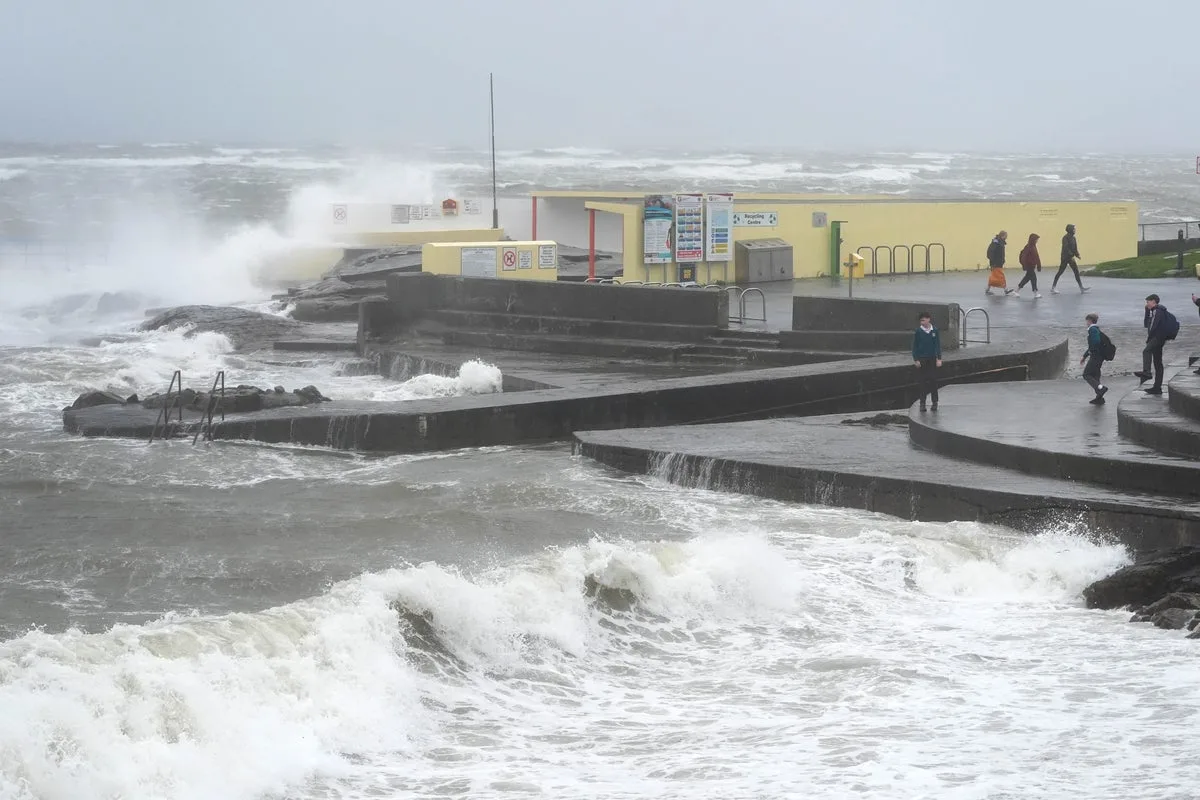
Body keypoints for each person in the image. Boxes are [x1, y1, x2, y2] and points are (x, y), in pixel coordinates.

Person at [1136, 293, 1178, 395]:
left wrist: (1149, 339)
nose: (1147, 304)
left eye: (1148, 302)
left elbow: (1153, 327)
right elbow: (1146, 324)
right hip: (1160, 338)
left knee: (1146, 351)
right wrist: (1146, 311)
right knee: (1158, 363)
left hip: (1157, 338)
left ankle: (1147, 372)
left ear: (1153, 301)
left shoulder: (1157, 311)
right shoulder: (1153, 311)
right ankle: (1157, 388)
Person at [912, 311, 942, 412]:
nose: (922, 322)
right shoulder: (918, 331)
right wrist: (916, 359)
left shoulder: (935, 330)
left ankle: (935, 402)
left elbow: (937, 345)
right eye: (921, 321)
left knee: (933, 380)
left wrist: (939, 358)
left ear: (928, 319)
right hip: (922, 359)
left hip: (932, 358)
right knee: (923, 382)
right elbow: (914, 346)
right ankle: (922, 403)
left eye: (923, 320)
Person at [1080, 313, 1109, 405]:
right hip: (1099, 356)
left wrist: (1091, 352)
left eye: (1086, 321)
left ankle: (1101, 388)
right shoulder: (1096, 329)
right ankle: (1099, 398)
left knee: (1086, 374)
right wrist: (1085, 356)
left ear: (1089, 320)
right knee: (1096, 376)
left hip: (1096, 356)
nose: (1086, 323)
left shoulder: (1092, 329)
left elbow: (1095, 342)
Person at [1052, 223, 1089, 294]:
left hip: (1071, 257)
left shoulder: (1074, 238)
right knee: (1060, 272)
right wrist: (1071, 255)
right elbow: (1066, 248)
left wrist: (1077, 255)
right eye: (1074, 229)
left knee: (1076, 272)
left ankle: (1081, 288)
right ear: (1070, 230)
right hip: (1065, 258)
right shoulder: (1065, 238)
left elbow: (1075, 248)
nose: (1075, 230)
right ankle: (1053, 287)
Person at [985, 230, 1014, 295]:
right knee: (1000, 276)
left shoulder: (999, 242)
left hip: (998, 262)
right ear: (1002, 236)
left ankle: (987, 289)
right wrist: (992, 261)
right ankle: (1006, 290)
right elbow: (991, 252)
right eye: (1006, 236)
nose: (1006, 237)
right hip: (996, 262)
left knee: (994, 276)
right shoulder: (996, 242)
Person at [1014, 233, 1042, 298]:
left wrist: (1038, 265)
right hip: (1029, 266)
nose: (1037, 241)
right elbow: (1024, 257)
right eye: (1036, 239)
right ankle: (1035, 293)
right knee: (1033, 279)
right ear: (1033, 240)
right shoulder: (1028, 247)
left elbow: (1036, 257)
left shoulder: (1033, 246)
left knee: (1027, 278)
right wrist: (1024, 266)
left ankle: (1016, 291)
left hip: (1031, 266)